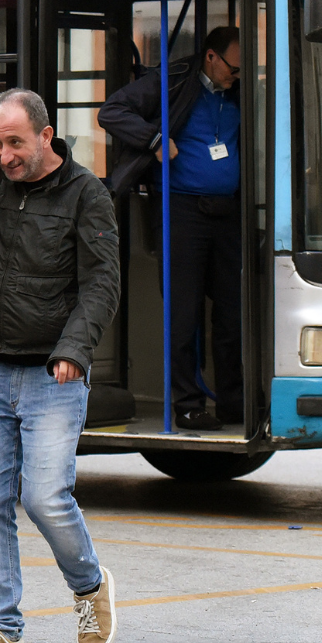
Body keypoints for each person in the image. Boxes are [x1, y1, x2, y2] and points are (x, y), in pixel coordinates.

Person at [0, 88, 120, 643]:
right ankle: (4, 634)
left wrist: (74, 349)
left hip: (51, 374)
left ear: (46, 136)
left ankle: (89, 587)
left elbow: (101, 284)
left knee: (44, 497)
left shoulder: (88, 195)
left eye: (16, 143)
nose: (6, 155)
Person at [98, 25, 244, 430]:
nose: (237, 76)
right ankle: (188, 403)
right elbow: (111, 111)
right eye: (232, 68)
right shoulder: (173, 80)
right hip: (182, 211)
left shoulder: (236, 92)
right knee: (184, 311)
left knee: (233, 311)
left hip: (227, 213)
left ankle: (233, 400)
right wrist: (154, 138)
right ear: (211, 58)